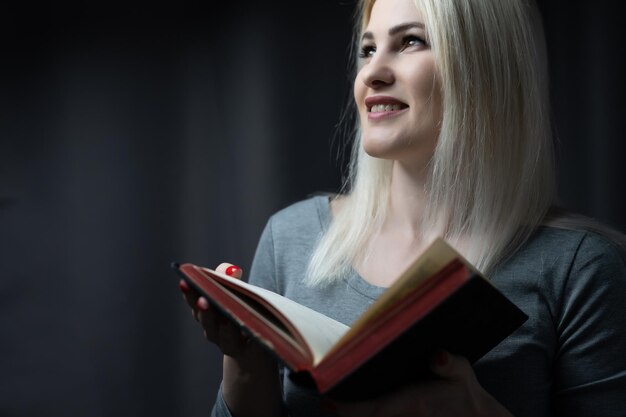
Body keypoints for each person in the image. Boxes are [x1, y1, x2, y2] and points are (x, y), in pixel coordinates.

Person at [179, 0, 626, 415]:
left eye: (410, 41)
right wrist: (246, 364)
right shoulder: (291, 238)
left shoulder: (581, 268)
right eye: (368, 49)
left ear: (486, 66)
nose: (373, 73)